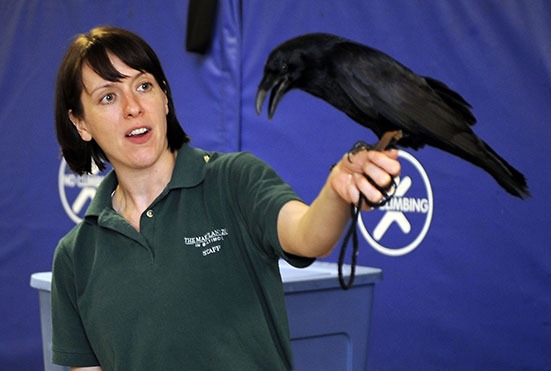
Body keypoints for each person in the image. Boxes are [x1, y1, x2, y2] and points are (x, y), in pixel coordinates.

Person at [51, 26, 400, 371]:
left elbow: (308, 235)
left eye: (144, 86)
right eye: (108, 97)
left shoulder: (233, 180)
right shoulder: (75, 256)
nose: (132, 107)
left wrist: (337, 191)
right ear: (80, 123)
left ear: (165, 98)